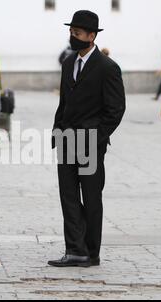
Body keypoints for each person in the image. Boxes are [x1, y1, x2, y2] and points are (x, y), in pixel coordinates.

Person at [49, 10, 126, 268]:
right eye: (71, 32)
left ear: (91, 36)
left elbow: (116, 109)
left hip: (91, 144)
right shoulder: (68, 63)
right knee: (68, 196)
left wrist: (97, 138)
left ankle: (91, 252)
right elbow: (64, 102)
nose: (73, 36)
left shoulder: (108, 67)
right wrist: (57, 131)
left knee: (92, 198)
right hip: (67, 140)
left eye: (78, 33)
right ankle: (75, 250)